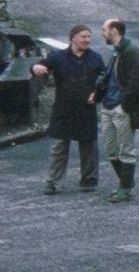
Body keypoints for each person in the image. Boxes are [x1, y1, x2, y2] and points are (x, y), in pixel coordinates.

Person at [31, 23, 105, 194]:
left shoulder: (96, 58)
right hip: (63, 110)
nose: (87, 40)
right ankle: (53, 183)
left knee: (89, 148)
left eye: (89, 37)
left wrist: (98, 94)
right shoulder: (58, 57)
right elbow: (39, 66)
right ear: (73, 38)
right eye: (83, 37)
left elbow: (105, 79)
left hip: (86, 110)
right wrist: (35, 67)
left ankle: (89, 181)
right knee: (59, 148)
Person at [96, 18, 139, 202]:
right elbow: (110, 78)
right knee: (111, 150)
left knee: (126, 149)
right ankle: (126, 183)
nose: (102, 33)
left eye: (104, 29)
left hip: (121, 108)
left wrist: (124, 105)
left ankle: (124, 188)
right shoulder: (117, 52)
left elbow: (136, 83)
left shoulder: (131, 52)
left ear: (114, 30)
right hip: (108, 106)